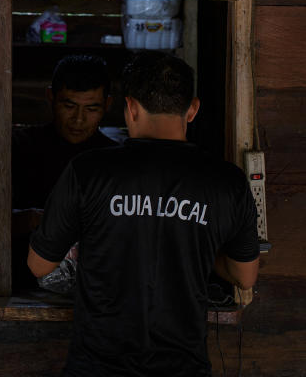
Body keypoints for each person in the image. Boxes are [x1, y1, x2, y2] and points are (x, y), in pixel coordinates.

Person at [28, 51, 259, 376]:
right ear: (192, 109)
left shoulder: (88, 171)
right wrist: (198, 249)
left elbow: (39, 264)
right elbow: (245, 276)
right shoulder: (227, 182)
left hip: (97, 367)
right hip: (182, 367)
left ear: (130, 108)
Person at [11, 54, 116, 290]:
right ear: (50, 97)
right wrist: (32, 219)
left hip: (94, 290)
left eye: (91, 108)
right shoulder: (18, 149)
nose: (78, 119)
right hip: (20, 284)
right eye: (69, 106)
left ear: (107, 105)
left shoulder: (115, 160)